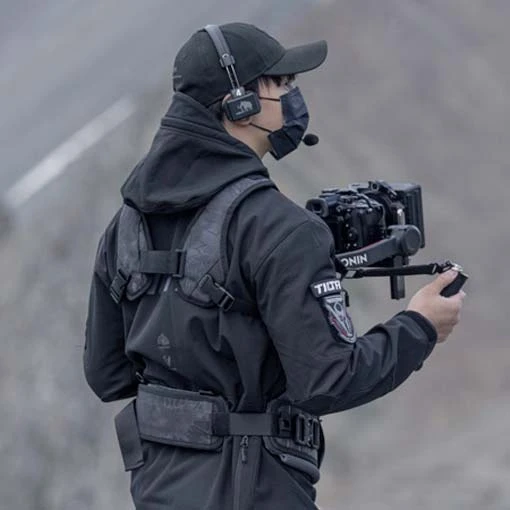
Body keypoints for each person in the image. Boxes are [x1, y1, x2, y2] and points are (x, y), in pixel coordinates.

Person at [83, 22, 465, 510]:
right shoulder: (279, 228)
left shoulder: (124, 226)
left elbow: (107, 374)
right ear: (239, 104)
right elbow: (329, 380)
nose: (293, 95)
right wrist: (420, 327)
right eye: (281, 83)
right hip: (258, 489)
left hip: (158, 491)